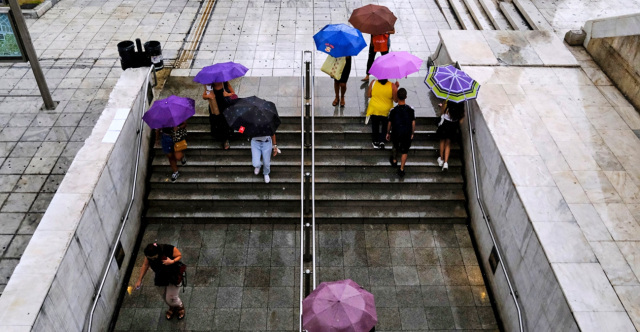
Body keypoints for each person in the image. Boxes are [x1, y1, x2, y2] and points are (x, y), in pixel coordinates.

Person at [134, 243, 185, 320]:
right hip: (160, 276)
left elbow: (179, 255)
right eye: (149, 258)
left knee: (171, 297)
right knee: (164, 296)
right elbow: (145, 265)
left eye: (153, 257)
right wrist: (139, 280)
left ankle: (180, 307)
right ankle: (172, 306)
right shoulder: (149, 254)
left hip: (173, 275)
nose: (151, 259)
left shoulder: (167, 248)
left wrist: (172, 261)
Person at [386, 88, 415, 177]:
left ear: (397, 97)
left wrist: (388, 132)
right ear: (406, 97)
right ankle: (401, 169)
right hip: (406, 133)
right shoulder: (410, 110)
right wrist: (412, 133)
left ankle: (394, 160)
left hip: (396, 132)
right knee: (405, 151)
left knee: (395, 145)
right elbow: (413, 122)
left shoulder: (393, 111)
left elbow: (389, 123)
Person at [203, 81, 236, 150]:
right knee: (217, 122)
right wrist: (209, 96)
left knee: (225, 123)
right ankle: (219, 136)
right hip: (215, 108)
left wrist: (228, 94)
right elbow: (204, 96)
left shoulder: (225, 83)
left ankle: (226, 140)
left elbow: (234, 96)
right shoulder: (209, 86)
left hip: (225, 107)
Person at [366, 78, 398, 149]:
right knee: (385, 125)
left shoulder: (373, 82)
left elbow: (368, 95)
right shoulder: (392, 85)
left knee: (375, 125)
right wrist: (396, 88)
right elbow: (396, 100)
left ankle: (375, 141)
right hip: (386, 110)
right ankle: (382, 141)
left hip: (374, 109)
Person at [437, 101, 465, 171]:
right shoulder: (460, 107)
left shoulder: (448, 104)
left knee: (442, 141)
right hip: (453, 126)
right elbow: (461, 121)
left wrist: (443, 105)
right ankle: (446, 163)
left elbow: (442, 112)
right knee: (448, 144)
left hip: (445, 125)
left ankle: (441, 159)